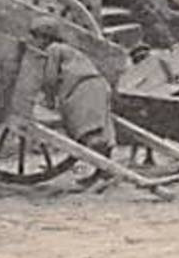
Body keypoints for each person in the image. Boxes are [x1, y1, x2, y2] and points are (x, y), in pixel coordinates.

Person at [23, 16, 116, 181]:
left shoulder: (53, 50)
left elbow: (50, 78)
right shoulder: (66, 49)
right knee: (99, 128)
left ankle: (105, 171)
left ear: (43, 37)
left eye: (35, 37)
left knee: (87, 131)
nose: (34, 41)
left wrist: (49, 99)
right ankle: (101, 172)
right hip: (98, 85)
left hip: (82, 88)